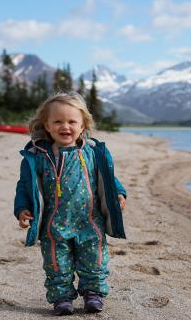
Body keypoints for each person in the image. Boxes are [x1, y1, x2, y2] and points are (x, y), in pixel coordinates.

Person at [13, 92, 127, 315]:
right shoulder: (38, 156)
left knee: (95, 260)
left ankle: (93, 294)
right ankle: (62, 298)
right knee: (57, 264)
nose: (65, 126)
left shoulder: (93, 153)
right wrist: (22, 208)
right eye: (58, 121)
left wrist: (119, 194)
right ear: (47, 125)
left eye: (72, 121)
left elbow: (109, 179)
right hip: (54, 224)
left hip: (90, 221)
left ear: (83, 125)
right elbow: (25, 186)